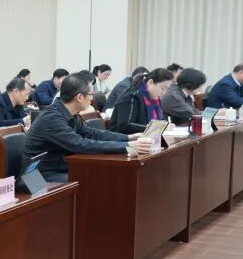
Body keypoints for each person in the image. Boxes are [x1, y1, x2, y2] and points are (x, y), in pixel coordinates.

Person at [24, 73, 152, 182]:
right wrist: (127, 146)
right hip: (38, 176)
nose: (92, 99)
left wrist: (128, 138)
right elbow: (81, 145)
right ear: (80, 97)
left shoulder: (68, 113)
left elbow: (91, 133)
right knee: (97, 180)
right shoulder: (52, 118)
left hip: (61, 167)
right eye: (91, 94)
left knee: (107, 174)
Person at [109, 68, 174, 134]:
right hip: (122, 138)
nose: (164, 92)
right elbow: (125, 125)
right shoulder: (131, 97)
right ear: (150, 82)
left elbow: (159, 120)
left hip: (145, 137)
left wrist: (165, 124)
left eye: (167, 89)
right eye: (163, 88)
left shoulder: (155, 99)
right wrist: (157, 128)